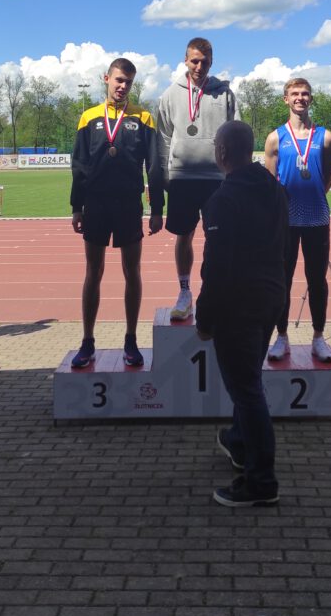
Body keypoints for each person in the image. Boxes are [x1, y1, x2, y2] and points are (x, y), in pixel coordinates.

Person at [195, 120, 288, 507]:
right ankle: (237, 441)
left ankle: (261, 482)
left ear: (221, 152)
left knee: (247, 391)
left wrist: (204, 317)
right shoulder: (275, 189)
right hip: (271, 297)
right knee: (249, 378)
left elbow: (217, 267)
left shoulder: (222, 199)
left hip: (239, 305)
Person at [70, 57, 164, 369]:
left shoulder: (144, 118)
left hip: (128, 205)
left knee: (132, 271)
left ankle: (131, 339)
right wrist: (76, 207)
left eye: (128, 82)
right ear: (106, 78)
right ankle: (87, 341)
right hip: (95, 204)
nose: (123, 86)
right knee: (93, 272)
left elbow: (154, 166)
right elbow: (79, 166)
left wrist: (157, 209)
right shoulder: (89, 117)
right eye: (119, 80)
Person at [157, 37, 240, 321]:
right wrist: (164, 174)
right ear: (185, 60)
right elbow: (163, 138)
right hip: (182, 177)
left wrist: (234, 173)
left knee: (218, 237)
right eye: (194, 61)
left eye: (205, 62)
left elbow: (236, 133)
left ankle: (214, 292)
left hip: (217, 177)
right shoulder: (170, 94)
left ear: (212, 62)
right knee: (184, 236)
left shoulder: (224, 94)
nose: (199, 67)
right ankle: (184, 292)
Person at [264, 77, 331, 362]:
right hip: (286, 222)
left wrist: (312, 196)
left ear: (311, 99)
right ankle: (281, 337)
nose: (300, 98)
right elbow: (271, 183)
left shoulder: (325, 137)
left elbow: (328, 177)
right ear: (286, 99)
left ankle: (318, 338)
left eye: (305, 93)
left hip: (317, 218)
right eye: (294, 93)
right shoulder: (275, 137)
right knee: (282, 280)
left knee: (317, 281)